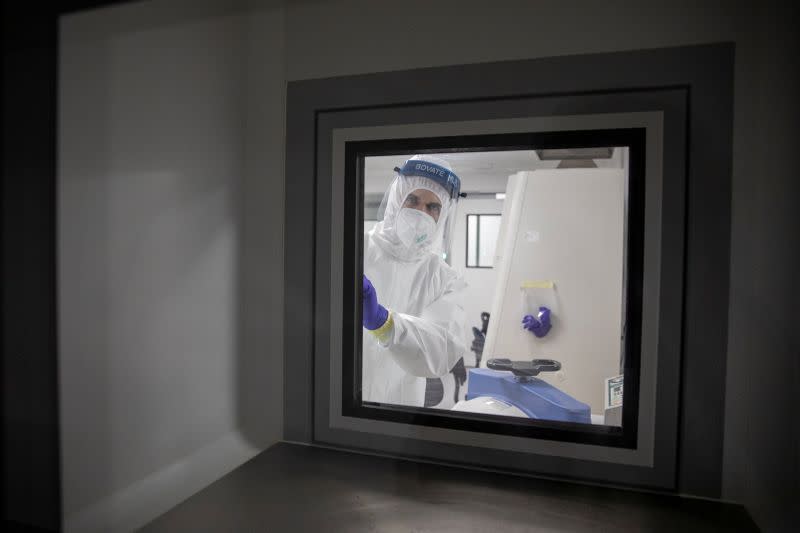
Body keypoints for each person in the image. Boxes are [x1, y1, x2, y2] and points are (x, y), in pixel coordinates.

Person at [361, 155, 468, 407]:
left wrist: (385, 323)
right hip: (339, 397)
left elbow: (443, 349)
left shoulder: (444, 278)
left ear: (442, 216)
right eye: (413, 200)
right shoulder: (354, 249)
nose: (421, 213)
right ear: (397, 199)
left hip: (400, 405)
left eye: (433, 207)